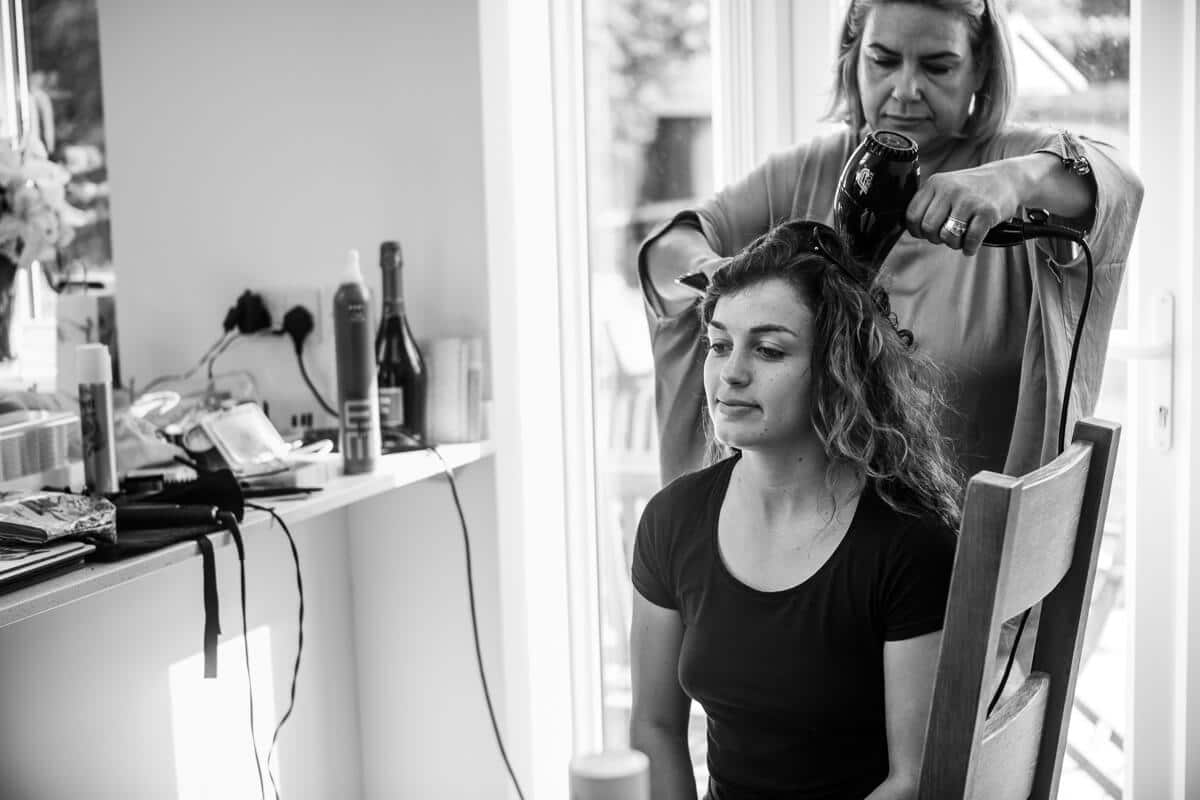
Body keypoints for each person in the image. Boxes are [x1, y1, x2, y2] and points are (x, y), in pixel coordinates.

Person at [639, 0, 1143, 486]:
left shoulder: (1014, 161)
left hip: (961, 548)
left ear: (980, 69)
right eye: (883, 61)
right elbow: (668, 251)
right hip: (819, 544)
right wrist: (726, 278)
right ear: (853, 56)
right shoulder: (811, 172)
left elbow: (1117, 183)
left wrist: (1013, 181)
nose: (905, 89)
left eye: (938, 67)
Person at [630, 220, 960, 800]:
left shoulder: (909, 542)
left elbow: (914, 782)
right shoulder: (671, 520)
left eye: (769, 349)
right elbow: (654, 729)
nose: (731, 372)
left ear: (838, 368)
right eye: (719, 344)